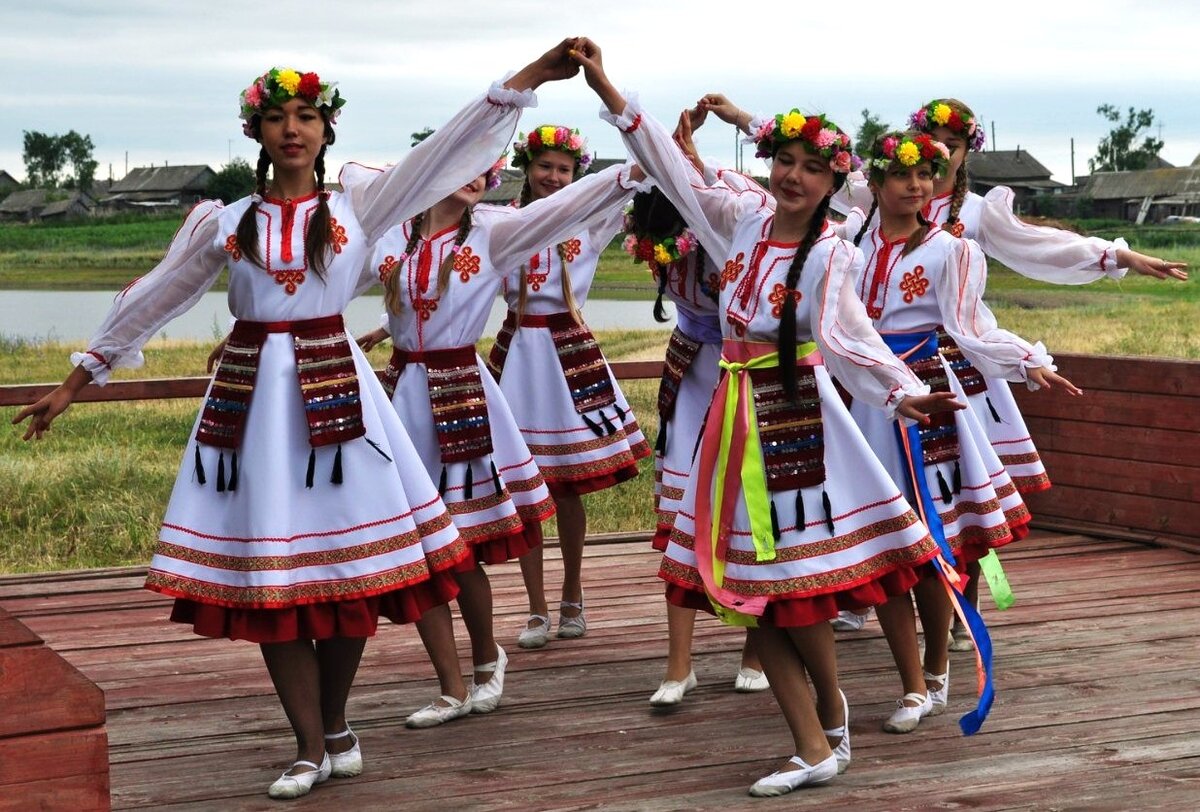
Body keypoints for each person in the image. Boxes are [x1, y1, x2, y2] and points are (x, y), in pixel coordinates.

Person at [13, 46, 579, 799]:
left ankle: (337, 724)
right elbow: (154, 297)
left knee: (348, 578)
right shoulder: (228, 220)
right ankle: (309, 745)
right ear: (257, 131)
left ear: (326, 130)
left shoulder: (358, 208)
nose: (292, 129)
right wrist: (74, 382)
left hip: (339, 400)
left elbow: (444, 150)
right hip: (255, 408)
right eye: (277, 117)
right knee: (275, 585)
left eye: (306, 116)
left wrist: (527, 79)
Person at [573, 40, 965, 795]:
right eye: (783, 160)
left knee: (786, 587)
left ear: (833, 181)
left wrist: (897, 391)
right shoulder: (739, 224)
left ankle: (826, 722)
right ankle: (819, 735)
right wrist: (609, 89)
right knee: (749, 589)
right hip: (733, 416)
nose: (792, 176)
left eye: (811, 167)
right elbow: (669, 163)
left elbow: (849, 335)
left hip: (797, 427)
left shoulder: (829, 254)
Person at [357, 153, 645, 724]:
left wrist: (638, 158)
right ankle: (452, 683)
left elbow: (580, 203)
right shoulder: (391, 234)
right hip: (407, 390)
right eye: (460, 159)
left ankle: (493, 656)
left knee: (459, 538)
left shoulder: (494, 230)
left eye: (485, 168)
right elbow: (341, 243)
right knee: (418, 543)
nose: (476, 174)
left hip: (463, 387)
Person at [846, 130, 1081, 733]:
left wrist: (1029, 359)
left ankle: (936, 664)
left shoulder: (951, 250)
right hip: (867, 395)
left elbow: (973, 328)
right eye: (903, 176)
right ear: (874, 183)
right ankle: (912, 683)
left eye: (927, 175)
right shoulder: (847, 244)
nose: (917, 186)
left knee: (929, 542)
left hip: (926, 392)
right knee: (882, 544)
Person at [486, 124, 651, 649]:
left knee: (568, 486)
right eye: (544, 168)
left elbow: (637, 181)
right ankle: (535, 607)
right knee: (525, 488)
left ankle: (573, 593)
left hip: (568, 351)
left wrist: (652, 137)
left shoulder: (590, 221)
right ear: (526, 169)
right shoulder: (500, 225)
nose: (553, 178)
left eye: (564, 170)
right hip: (517, 354)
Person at [623, 185, 768, 705]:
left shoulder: (732, 220)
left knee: (749, 511)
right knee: (684, 517)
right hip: (689, 369)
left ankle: (756, 651)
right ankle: (678, 664)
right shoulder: (651, 229)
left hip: (741, 369)